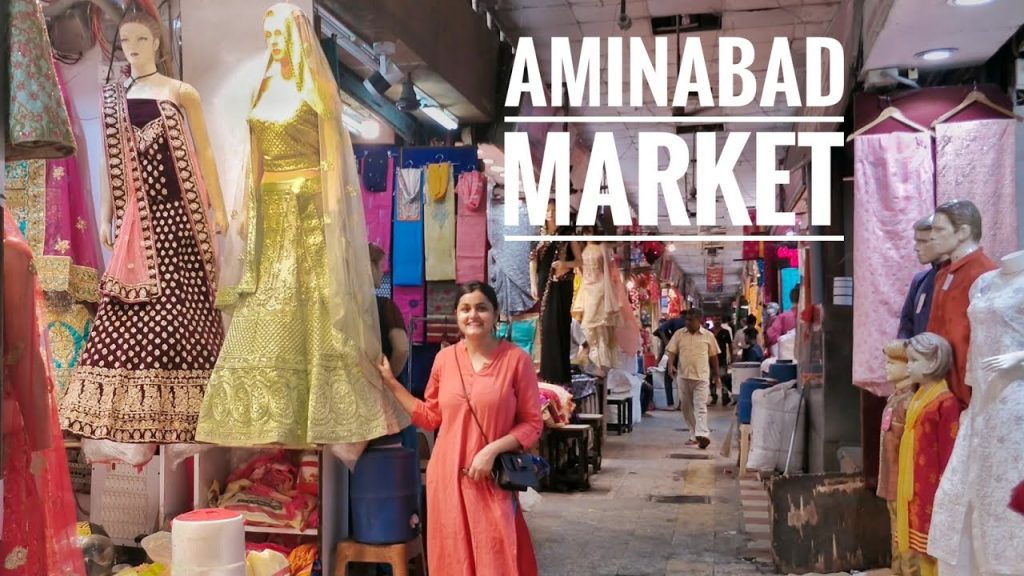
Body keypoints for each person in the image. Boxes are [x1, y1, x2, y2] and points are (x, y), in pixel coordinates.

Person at [195, 4, 406, 466]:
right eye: (266, 32)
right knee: (267, 303)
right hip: (270, 210)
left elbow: (333, 157)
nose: (271, 40)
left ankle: (325, 416)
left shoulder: (317, 92)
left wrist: (332, 211)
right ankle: (263, 415)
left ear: (296, 35)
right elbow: (255, 156)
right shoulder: (263, 88)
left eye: (279, 32)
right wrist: (249, 209)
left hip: (309, 207)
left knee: (313, 303)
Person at [377, 282, 543, 575]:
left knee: (496, 555)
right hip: (449, 478)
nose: (473, 315)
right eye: (465, 309)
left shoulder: (516, 361)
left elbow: (532, 423)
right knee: (453, 558)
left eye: (481, 308)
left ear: (495, 314)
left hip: (491, 479)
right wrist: (392, 383)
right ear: (456, 314)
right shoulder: (444, 359)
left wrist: (491, 451)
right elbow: (430, 417)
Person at [665, 308, 722, 450]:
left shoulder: (708, 336)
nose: (687, 322)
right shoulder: (679, 334)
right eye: (686, 320)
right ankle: (693, 433)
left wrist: (716, 375)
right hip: (683, 376)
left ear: (699, 321)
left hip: (701, 376)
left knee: (700, 406)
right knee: (686, 407)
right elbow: (672, 350)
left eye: (691, 320)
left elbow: (713, 356)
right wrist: (670, 365)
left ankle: (703, 434)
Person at [898, 216, 945, 339]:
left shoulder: (958, 278)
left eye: (923, 241)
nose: (916, 248)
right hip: (917, 355)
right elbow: (906, 325)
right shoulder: (920, 280)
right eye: (916, 241)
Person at [766, 285, 800, 353]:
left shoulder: (783, 317)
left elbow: (772, 336)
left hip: (787, 356)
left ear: (791, 299)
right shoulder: (812, 316)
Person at [710, 317, 733, 406]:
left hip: (722, 359)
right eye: (715, 319)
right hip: (709, 360)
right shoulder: (709, 332)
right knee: (711, 379)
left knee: (723, 378)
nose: (717, 321)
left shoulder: (725, 332)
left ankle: (725, 396)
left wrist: (731, 357)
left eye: (719, 319)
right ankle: (713, 396)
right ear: (712, 321)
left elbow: (730, 345)